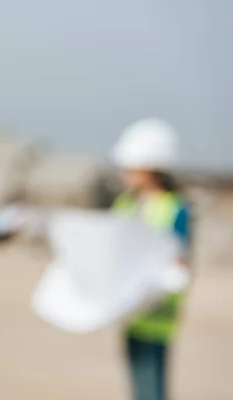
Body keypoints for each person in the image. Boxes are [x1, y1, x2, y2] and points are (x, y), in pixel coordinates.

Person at [110, 118, 192, 400]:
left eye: (130, 166)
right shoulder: (126, 203)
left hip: (157, 315)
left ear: (151, 167)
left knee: (151, 389)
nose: (124, 172)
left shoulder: (173, 208)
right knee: (138, 387)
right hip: (130, 311)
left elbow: (180, 263)